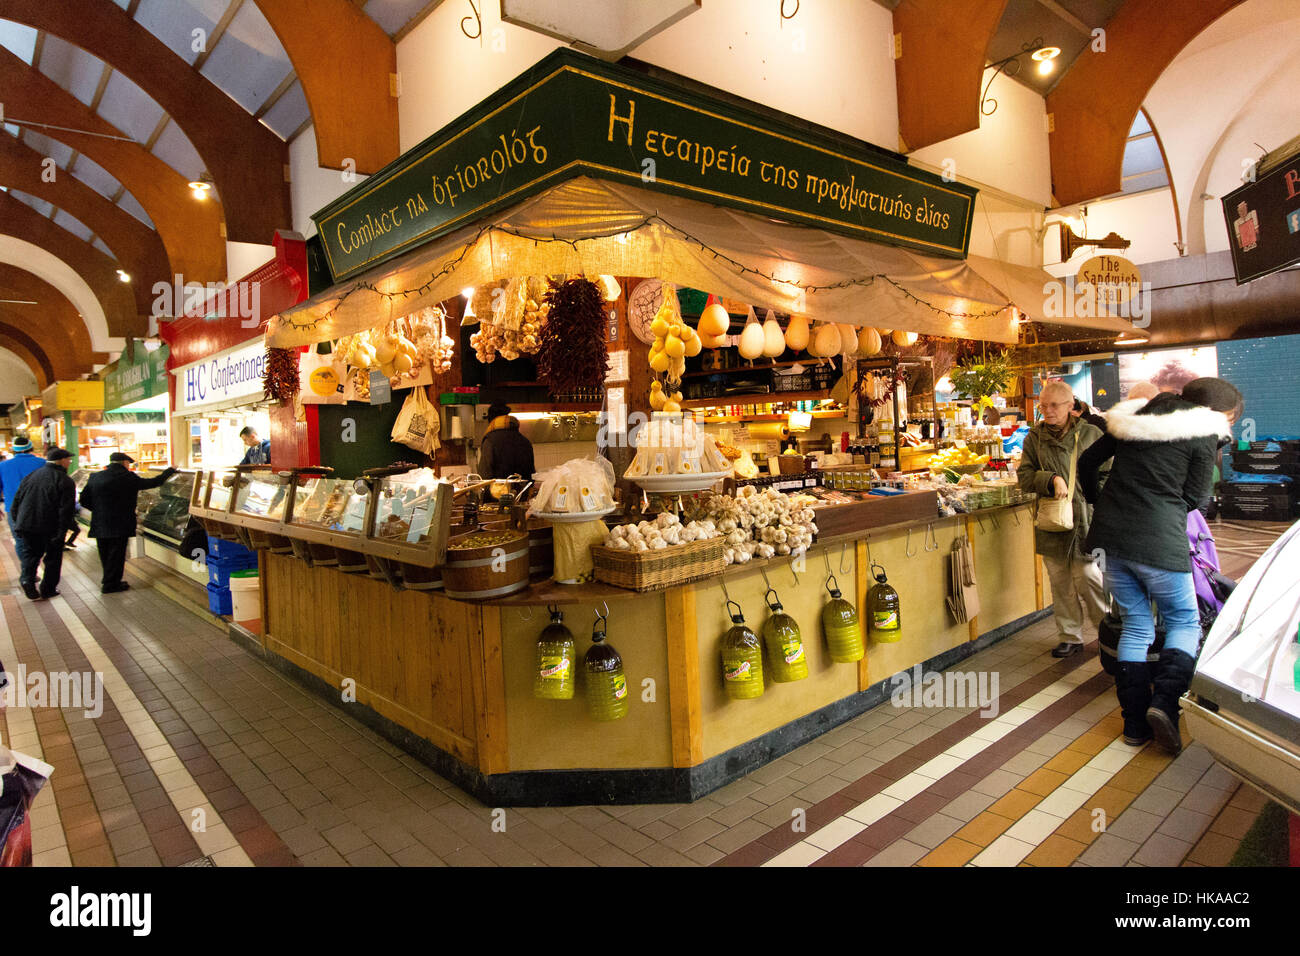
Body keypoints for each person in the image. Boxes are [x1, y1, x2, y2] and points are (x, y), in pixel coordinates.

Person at [1078, 377, 1242, 753]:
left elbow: (1088, 461)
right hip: (1157, 542)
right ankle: (1165, 705)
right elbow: (1198, 497)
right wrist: (1162, 517)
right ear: (1215, 411)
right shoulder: (1202, 432)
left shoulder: (1133, 418)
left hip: (1110, 538)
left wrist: (1098, 501)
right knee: (1184, 621)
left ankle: (1134, 724)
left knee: (1136, 623)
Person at [1018, 380, 1110, 659]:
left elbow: (1109, 474)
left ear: (1071, 406)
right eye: (1044, 405)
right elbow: (1024, 477)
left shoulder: (1093, 434)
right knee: (1059, 580)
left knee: (1088, 576)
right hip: (1052, 519)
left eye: (1054, 405)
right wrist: (1050, 480)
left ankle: (1109, 631)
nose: (1047, 411)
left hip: (1087, 519)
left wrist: (1097, 499)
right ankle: (1070, 635)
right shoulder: (1034, 438)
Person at [78, 452, 178, 594]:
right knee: (117, 554)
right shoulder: (127, 477)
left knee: (105, 553)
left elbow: (84, 500)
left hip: (100, 522)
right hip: (120, 522)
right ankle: (111, 584)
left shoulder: (96, 477)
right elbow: (154, 482)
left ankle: (108, 581)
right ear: (125, 462)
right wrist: (170, 470)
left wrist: (99, 511)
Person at [9, 448, 77, 601]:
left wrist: (17, 523)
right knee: (53, 558)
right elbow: (66, 510)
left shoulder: (31, 476)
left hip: (26, 525)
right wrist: (61, 532)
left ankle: (27, 580)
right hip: (49, 526)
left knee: (30, 555)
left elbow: (16, 502)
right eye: (68, 460)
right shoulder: (64, 480)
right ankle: (48, 589)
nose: (69, 462)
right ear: (61, 461)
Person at [0, 437, 45, 567]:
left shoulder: (2, 466)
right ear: (31, 448)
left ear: (14, 450)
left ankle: (28, 572)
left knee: (20, 541)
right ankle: (35, 567)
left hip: (14, 510)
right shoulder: (42, 463)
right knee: (39, 540)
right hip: (38, 508)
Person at [477, 402, 535, 488]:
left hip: (498, 497)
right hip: (522, 495)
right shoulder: (525, 441)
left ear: (490, 420)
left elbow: (484, 476)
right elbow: (531, 473)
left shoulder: (490, 441)